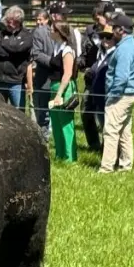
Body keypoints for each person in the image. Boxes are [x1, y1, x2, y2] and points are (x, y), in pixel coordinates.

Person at [99, 15, 134, 173]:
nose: (112, 31)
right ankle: (126, 165)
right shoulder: (132, 44)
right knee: (124, 130)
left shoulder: (124, 48)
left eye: (114, 28)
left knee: (110, 130)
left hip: (121, 95)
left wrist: (112, 95)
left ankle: (106, 167)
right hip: (129, 93)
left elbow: (122, 76)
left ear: (121, 30)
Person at [0, 5, 32, 110]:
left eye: (10, 21)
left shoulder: (26, 36)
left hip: (16, 82)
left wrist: (4, 44)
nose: (7, 23)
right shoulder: (1, 33)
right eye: (7, 20)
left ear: (18, 21)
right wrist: (10, 53)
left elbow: (18, 49)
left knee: (18, 114)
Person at [47, 21, 80, 163]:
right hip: (54, 86)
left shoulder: (67, 50)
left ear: (59, 33)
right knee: (56, 123)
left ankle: (69, 157)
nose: (49, 31)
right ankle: (60, 154)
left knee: (66, 123)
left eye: (52, 29)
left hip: (64, 88)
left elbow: (67, 74)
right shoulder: (56, 47)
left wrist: (59, 94)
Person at [86, 24, 117, 140]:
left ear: (114, 39)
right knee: (103, 127)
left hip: (107, 98)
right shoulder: (102, 54)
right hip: (98, 98)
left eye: (108, 37)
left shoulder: (114, 55)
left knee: (109, 129)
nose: (104, 40)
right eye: (102, 37)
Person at [29, 9, 55, 136]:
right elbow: (36, 53)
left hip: (54, 77)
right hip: (43, 75)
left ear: (47, 20)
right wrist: (53, 62)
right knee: (42, 109)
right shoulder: (38, 32)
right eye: (37, 20)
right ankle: (44, 136)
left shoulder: (60, 31)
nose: (38, 22)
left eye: (41, 19)